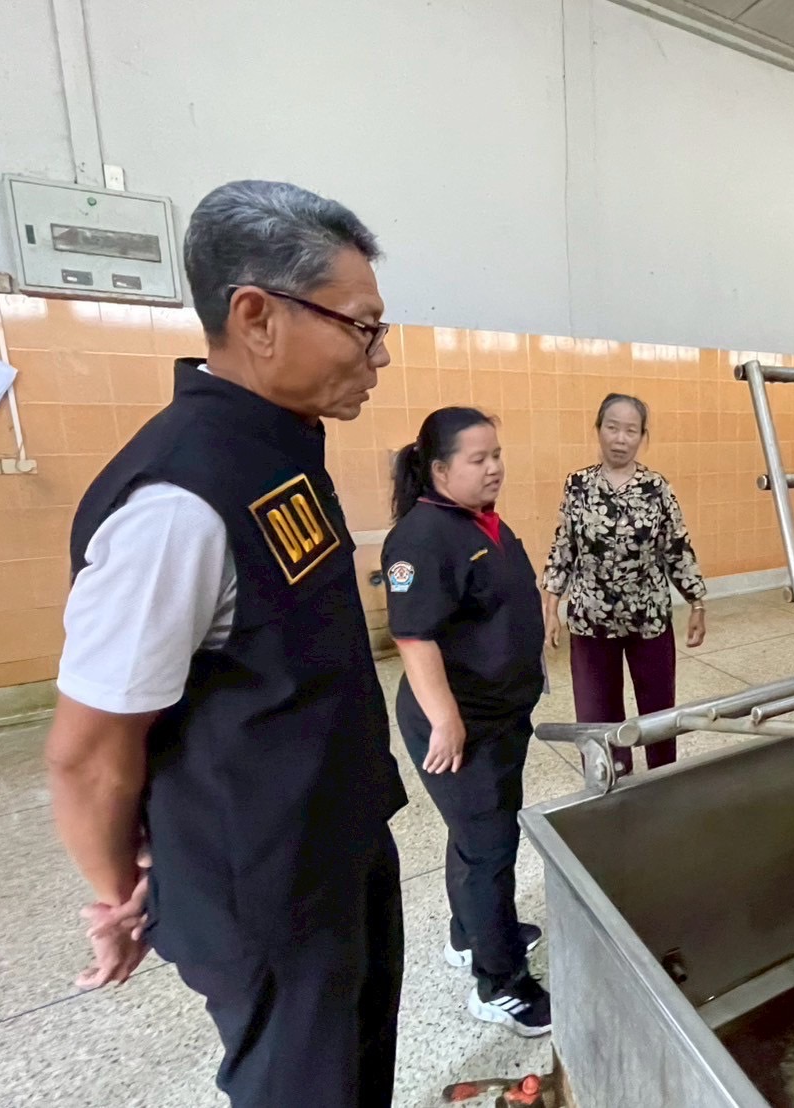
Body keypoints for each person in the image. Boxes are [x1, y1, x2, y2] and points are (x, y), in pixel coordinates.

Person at [45, 180, 407, 1107]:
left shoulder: (278, 449)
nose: (379, 354)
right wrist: (121, 891)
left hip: (334, 852)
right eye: (362, 327)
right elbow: (89, 754)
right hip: (268, 895)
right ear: (257, 316)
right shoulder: (176, 503)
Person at [382, 407, 551, 1037]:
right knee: (489, 849)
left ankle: (469, 933)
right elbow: (413, 636)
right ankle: (499, 984)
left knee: (479, 834)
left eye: (496, 454)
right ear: (439, 469)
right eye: (478, 459)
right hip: (459, 723)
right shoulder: (422, 538)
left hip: (498, 714)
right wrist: (446, 720)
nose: (494, 468)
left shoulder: (479, 521)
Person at [541, 394, 706, 775]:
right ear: (598, 429)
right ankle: (608, 782)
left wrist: (697, 602)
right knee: (597, 714)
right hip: (590, 619)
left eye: (631, 430)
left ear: (642, 436)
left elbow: (677, 548)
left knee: (659, 711)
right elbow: (564, 546)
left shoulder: (656, 487)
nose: (620, 438)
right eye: (612, 427)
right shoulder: (578, 484)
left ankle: (662, 778)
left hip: (648, 616)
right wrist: (550, 604)